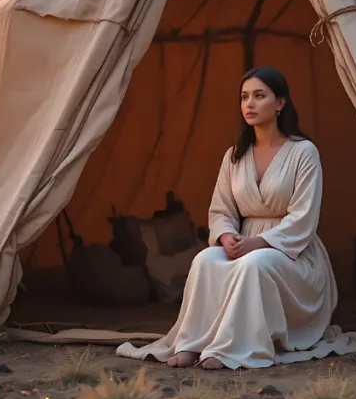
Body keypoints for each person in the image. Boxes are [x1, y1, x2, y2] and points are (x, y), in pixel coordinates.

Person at [115, 66, 341, 370]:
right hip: (243, 243)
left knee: (255, 263)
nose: (249, 103)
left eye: (259, 96)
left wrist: (258, 243)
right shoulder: (235, 155)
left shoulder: (303, 152)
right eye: (244, 97)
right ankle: (193, 343)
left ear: (280, 103)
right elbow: (221, 210)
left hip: (293, 252)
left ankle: (233, 347)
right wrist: (225, 237)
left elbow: (304, 217)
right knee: (205, 260)